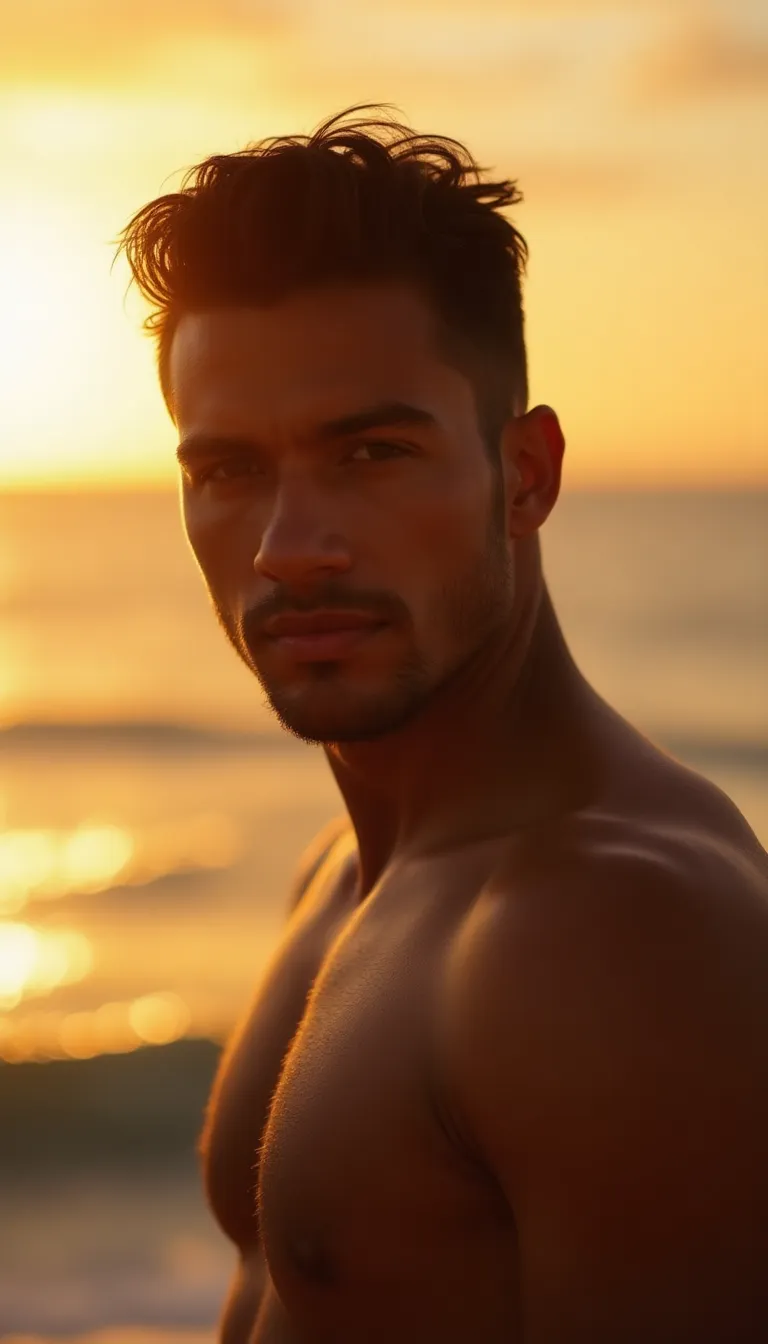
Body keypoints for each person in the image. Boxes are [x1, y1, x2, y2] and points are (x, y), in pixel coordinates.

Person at [118, 106, 768, 1343]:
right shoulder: (352, 868)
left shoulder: (616, 931)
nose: (287, 548)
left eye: (368, 452)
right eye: (229, 470)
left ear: (524, 475)